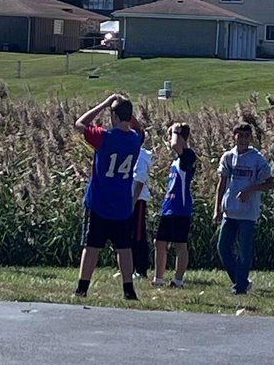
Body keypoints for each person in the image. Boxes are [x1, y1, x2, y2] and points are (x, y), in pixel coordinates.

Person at [73, 93, 143, 301]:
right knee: (124, 248)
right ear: (129, 117)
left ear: (113, 116)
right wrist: (126, 110)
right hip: (122, 202)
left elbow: (80, 124)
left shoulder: (104, 136)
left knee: (92, 246)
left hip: (99, 200)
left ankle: (82, 287)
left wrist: (105, 103)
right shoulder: (135, 140)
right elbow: (140, 129)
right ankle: (128, 289)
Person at [213, 122, 274, 296]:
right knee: (223, 248)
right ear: (234, 136)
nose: (243, 140)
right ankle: (241, 281)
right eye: (240, 136)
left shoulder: (257, 159)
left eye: (246, 136)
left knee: (244, 251)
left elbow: (270, 183)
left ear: (250, 138)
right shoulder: (228, 157)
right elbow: (222, 183)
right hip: (230, 211)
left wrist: (250, 189)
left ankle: (240, 287)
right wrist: (217, 208)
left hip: (248, 213)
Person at [152, 122, 196, 289]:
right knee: (160, 242)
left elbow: (175, 144)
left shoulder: (188, 156)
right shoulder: (177, 160)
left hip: (180, 208)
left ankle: (178, 280)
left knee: (180, 244)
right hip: (168, 206)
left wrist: (175, 129)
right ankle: (159, 277)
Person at [130, 140, 153, 278]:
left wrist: (133, 201)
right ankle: (129, 267)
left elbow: (140, 178)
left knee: (138, 235)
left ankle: (141, 269)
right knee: (127, 234)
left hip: (137, 200)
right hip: (126, 200)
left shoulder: (141, 155)